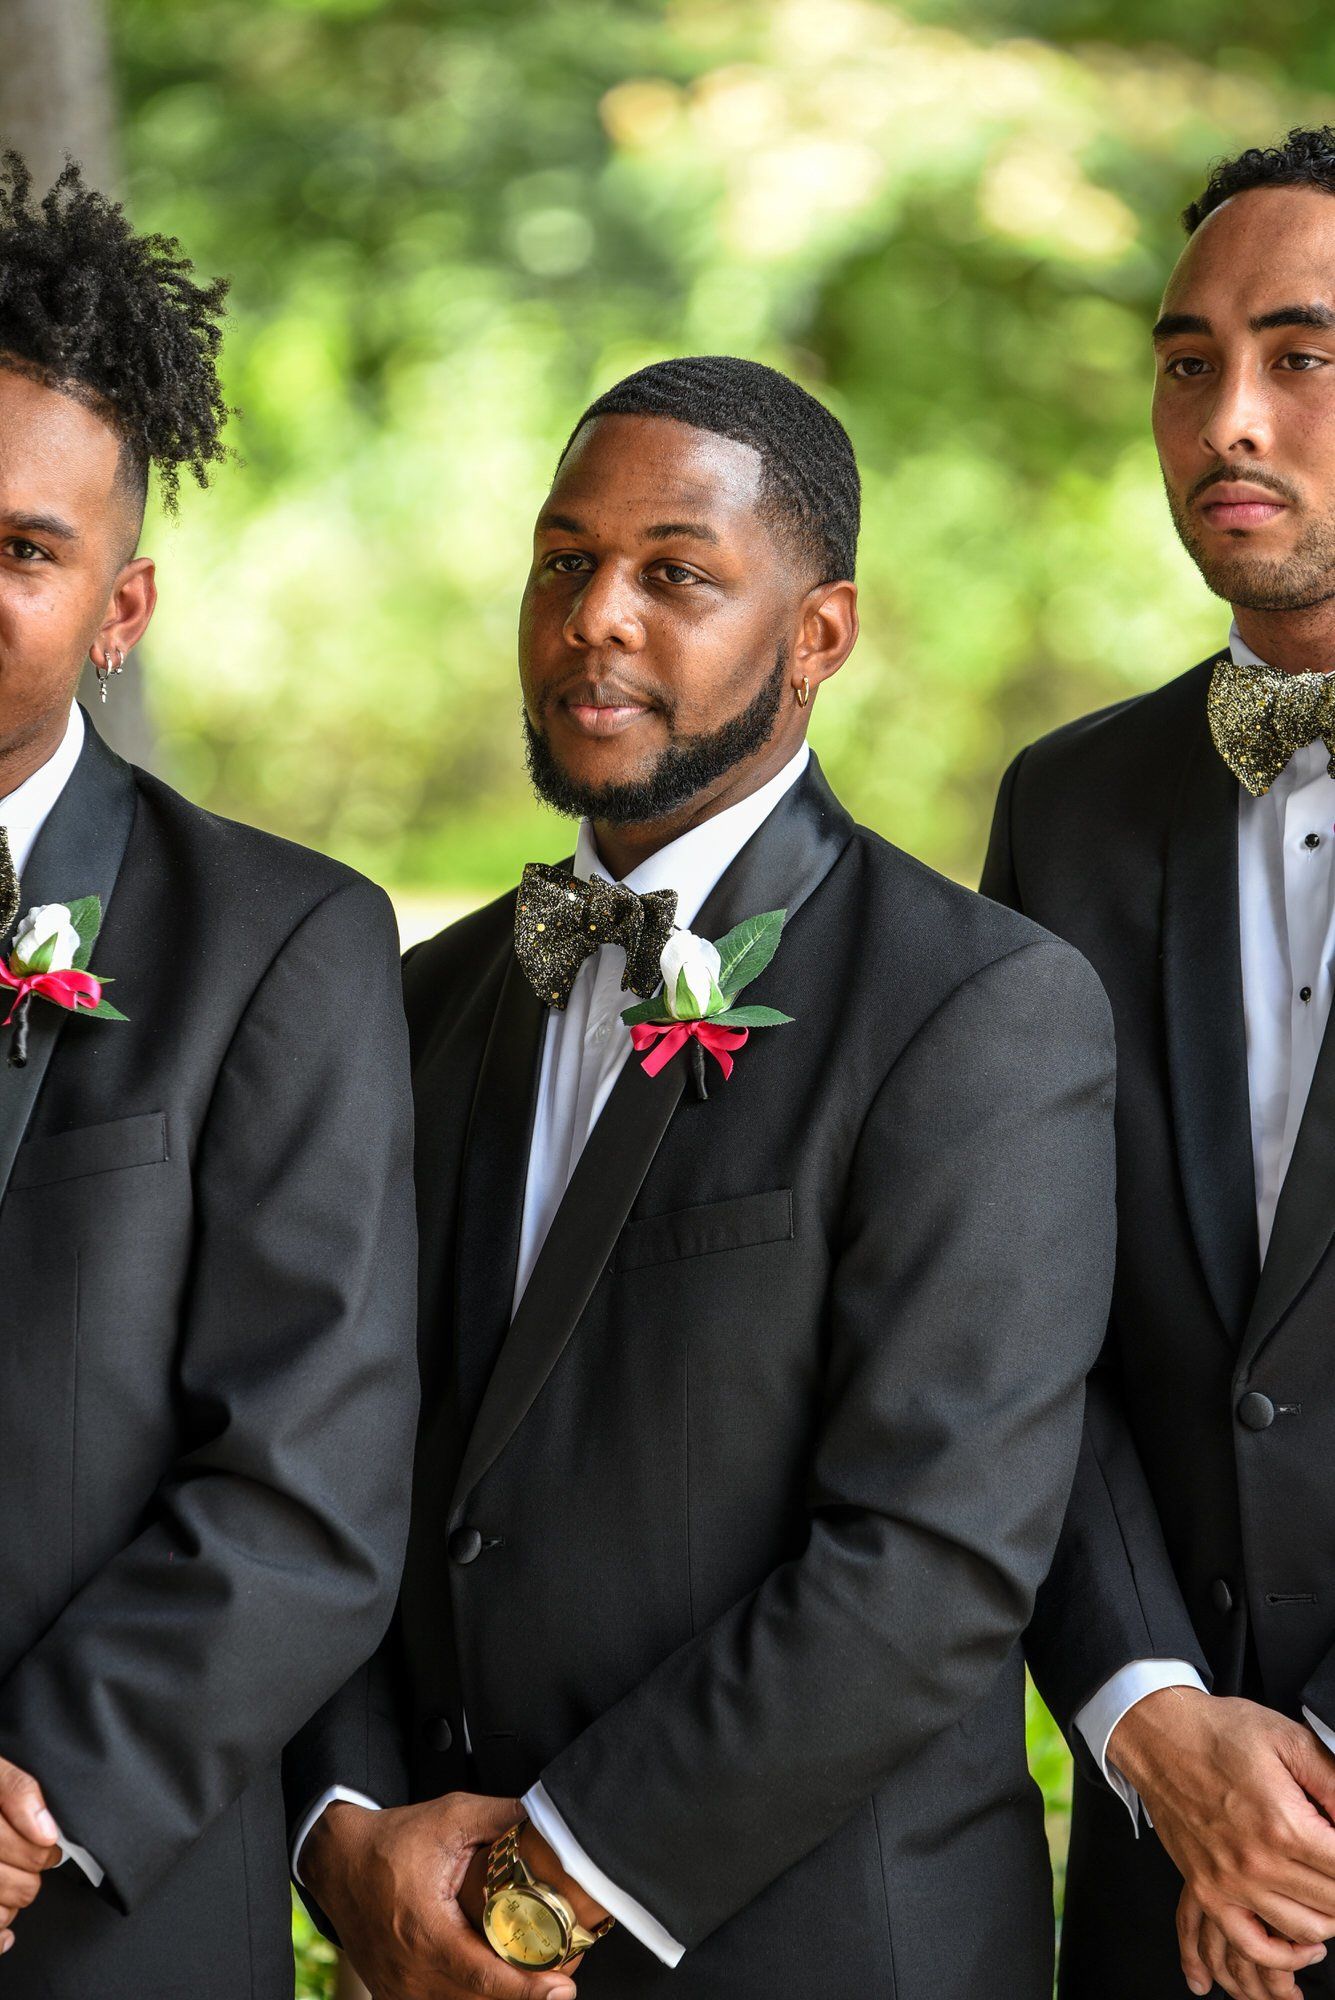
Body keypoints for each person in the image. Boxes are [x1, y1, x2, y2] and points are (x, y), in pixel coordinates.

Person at [286, 354, 1117, 2000]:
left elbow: (930, 1564)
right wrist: (346, 1829)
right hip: (426, 1932)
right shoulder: (413, 1004)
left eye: (677, 573)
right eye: (564, 562)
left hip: (814, 1950)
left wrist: (546, 1883)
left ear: (820, 635)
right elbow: (325, 1453)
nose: (597, 615)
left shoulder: (979, 1009)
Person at [0, 154, 419, 1998]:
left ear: (123, 603)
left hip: (94, 1913)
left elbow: (308, 1480)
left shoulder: (280, 945)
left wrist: (30, 1800)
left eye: (22, 550)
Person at [983, 126, 1335, 2000]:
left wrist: (1308, 1810)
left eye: (1303, 355)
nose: (1230, 419)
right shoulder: (1069, 810)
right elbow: (1032, 1324)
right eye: (1188, 362)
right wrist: (1157, 1724)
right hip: (1155, 1864)